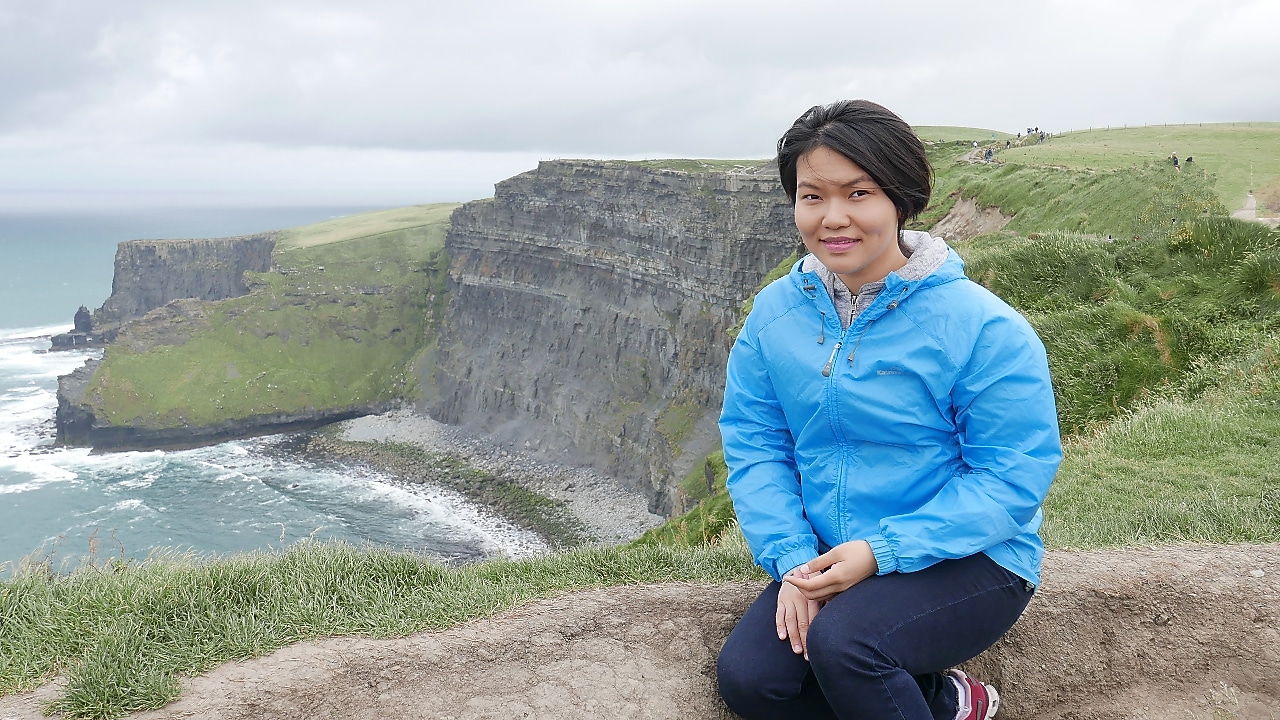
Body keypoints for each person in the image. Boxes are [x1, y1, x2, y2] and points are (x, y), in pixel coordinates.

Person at [716, 99, 1063, 720]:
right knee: (751, 681)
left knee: (847, 643)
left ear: (901, 200)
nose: (833, 217)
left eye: (859, 193)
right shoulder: (775, 315)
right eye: (812, 195)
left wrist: (882, 553)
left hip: (970, 556)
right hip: (829, 552)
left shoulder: (983, 328)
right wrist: (795, 561)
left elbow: (1011, 478)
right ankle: (948, 700)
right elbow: (755, 443)